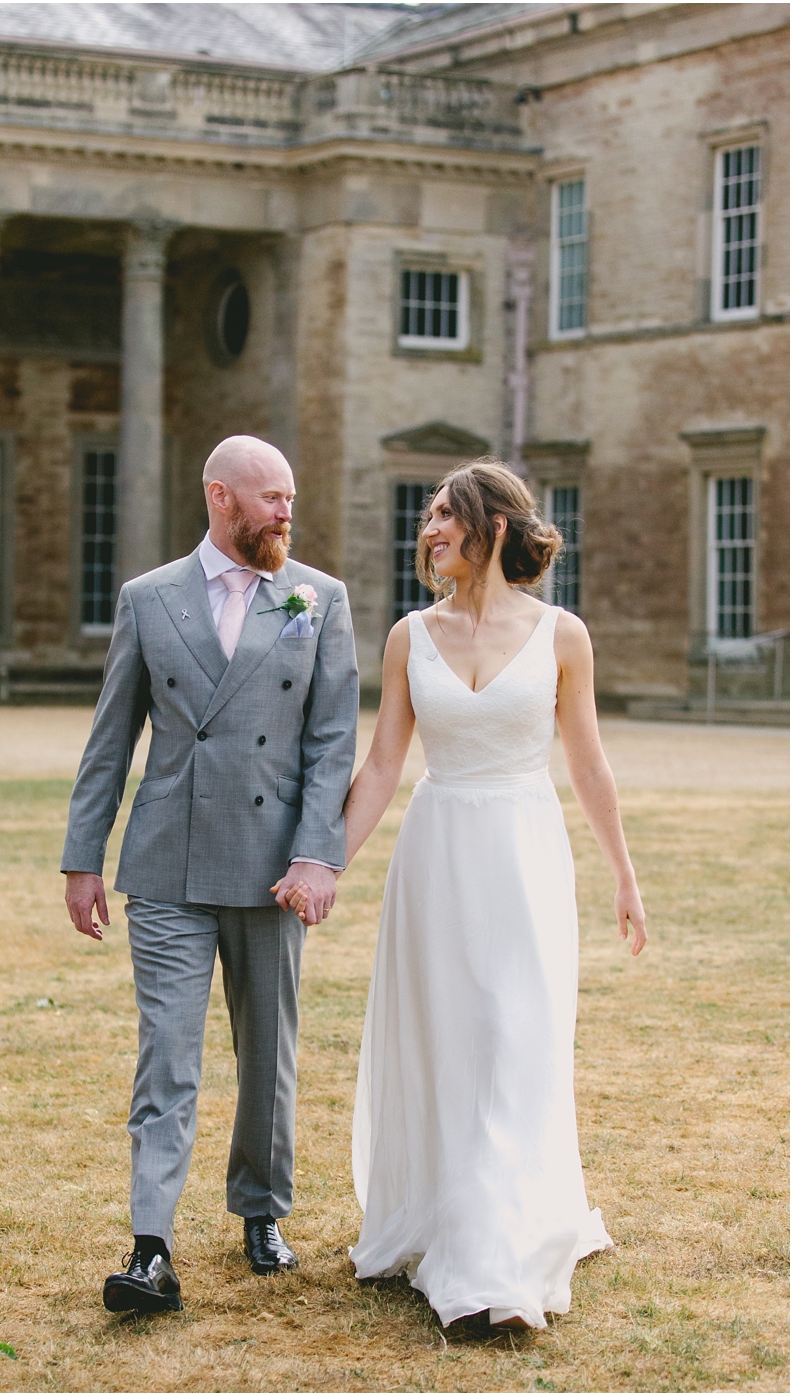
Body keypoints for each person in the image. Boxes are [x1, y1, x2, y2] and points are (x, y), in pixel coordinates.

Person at [289, 459, 646, 1332]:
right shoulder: (411, 636)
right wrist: (322, 861)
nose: (429, 530)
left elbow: (589, 764)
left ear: (491, 526)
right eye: (426, 518)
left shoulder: (563, 635)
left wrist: (624, 874)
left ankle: (495, 1263)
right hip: (438, 855)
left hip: (525, 854)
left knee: (514, 1038)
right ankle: (452, 1222)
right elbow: (381, 767)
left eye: (445, 515)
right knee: (453, 1041)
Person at [62, 435, 358, 1315]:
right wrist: (83, 859)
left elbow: (332, 741)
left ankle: (261, 1211)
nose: (285, 513)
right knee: (167, 1057)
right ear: (220, 496)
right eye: (270, 498)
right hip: (168, 864)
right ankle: (150, 1246)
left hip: (276, 870)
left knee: (268, 1054)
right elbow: (111, 737)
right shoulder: (148, 599)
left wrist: (317, 854)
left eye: (291, 500)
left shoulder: (318, 598)